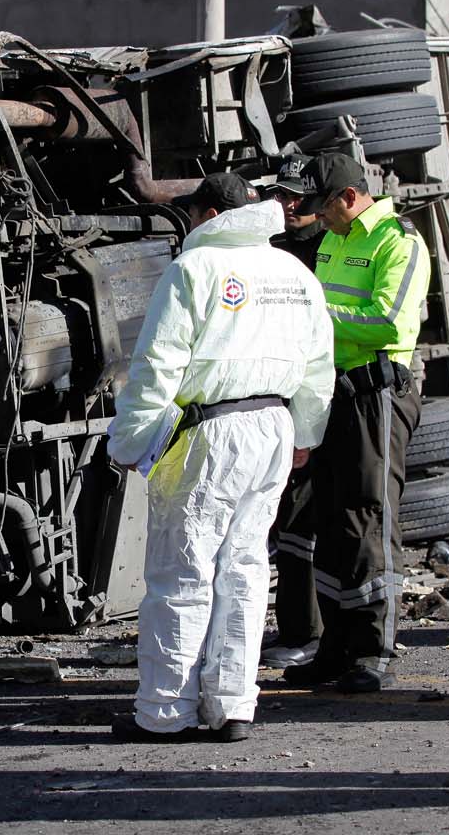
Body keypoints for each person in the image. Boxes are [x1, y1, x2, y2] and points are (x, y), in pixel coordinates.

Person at [107, 172, 334, 741]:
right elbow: (317, 365)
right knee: (247, 570)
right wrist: (305, 432)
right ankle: (233, 705)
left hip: (209, 435)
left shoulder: (194, 269)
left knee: (182, 573)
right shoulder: (294, 272)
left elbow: (158, 365)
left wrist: (131, 441)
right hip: (275, 429)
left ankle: (165, 713)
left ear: (208, 214)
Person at [284, 152, 430, 694]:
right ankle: (337, 646)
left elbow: (390, 321)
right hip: (334, 392)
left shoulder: (398, 240)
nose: (316, 218)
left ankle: (375, 649)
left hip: (377, 395)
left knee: (371, 517)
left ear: (348, 197)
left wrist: (315, 319)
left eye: (323, 208)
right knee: (333, 520)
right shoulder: (333, 239)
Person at [261, 155, 327, 670]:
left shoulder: (335, 249)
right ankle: (298, 628)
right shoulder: (274, 252)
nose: (287, 205)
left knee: (318, 520)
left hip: (330, 395)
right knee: (289, 522)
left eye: (297, 196)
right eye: (280, 196)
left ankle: (316, 632)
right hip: (285, 397)